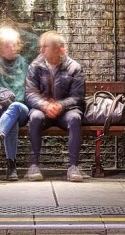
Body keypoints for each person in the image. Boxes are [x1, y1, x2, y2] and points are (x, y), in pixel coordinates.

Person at [24, 31, 86, 182]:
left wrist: (60, 105)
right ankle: (34, 165)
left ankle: (73, 167)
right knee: (35, 117)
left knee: (75, 118)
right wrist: (44, 105)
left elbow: (78, 97)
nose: (41, 50)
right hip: (43, 110)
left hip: (66, 112)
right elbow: (30, 93)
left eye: (44, 47)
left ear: (57, 48)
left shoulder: (74, 68)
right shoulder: (35, 66)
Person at [0, 26, 31, 180]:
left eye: (13, 44)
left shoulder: (25, 65)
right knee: (12, 120)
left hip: (23, 110)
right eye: (6, 45)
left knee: (15, 107)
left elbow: (36, 40)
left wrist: (17, 29)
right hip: (2, 113)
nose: (11, 48)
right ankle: (11, 167)